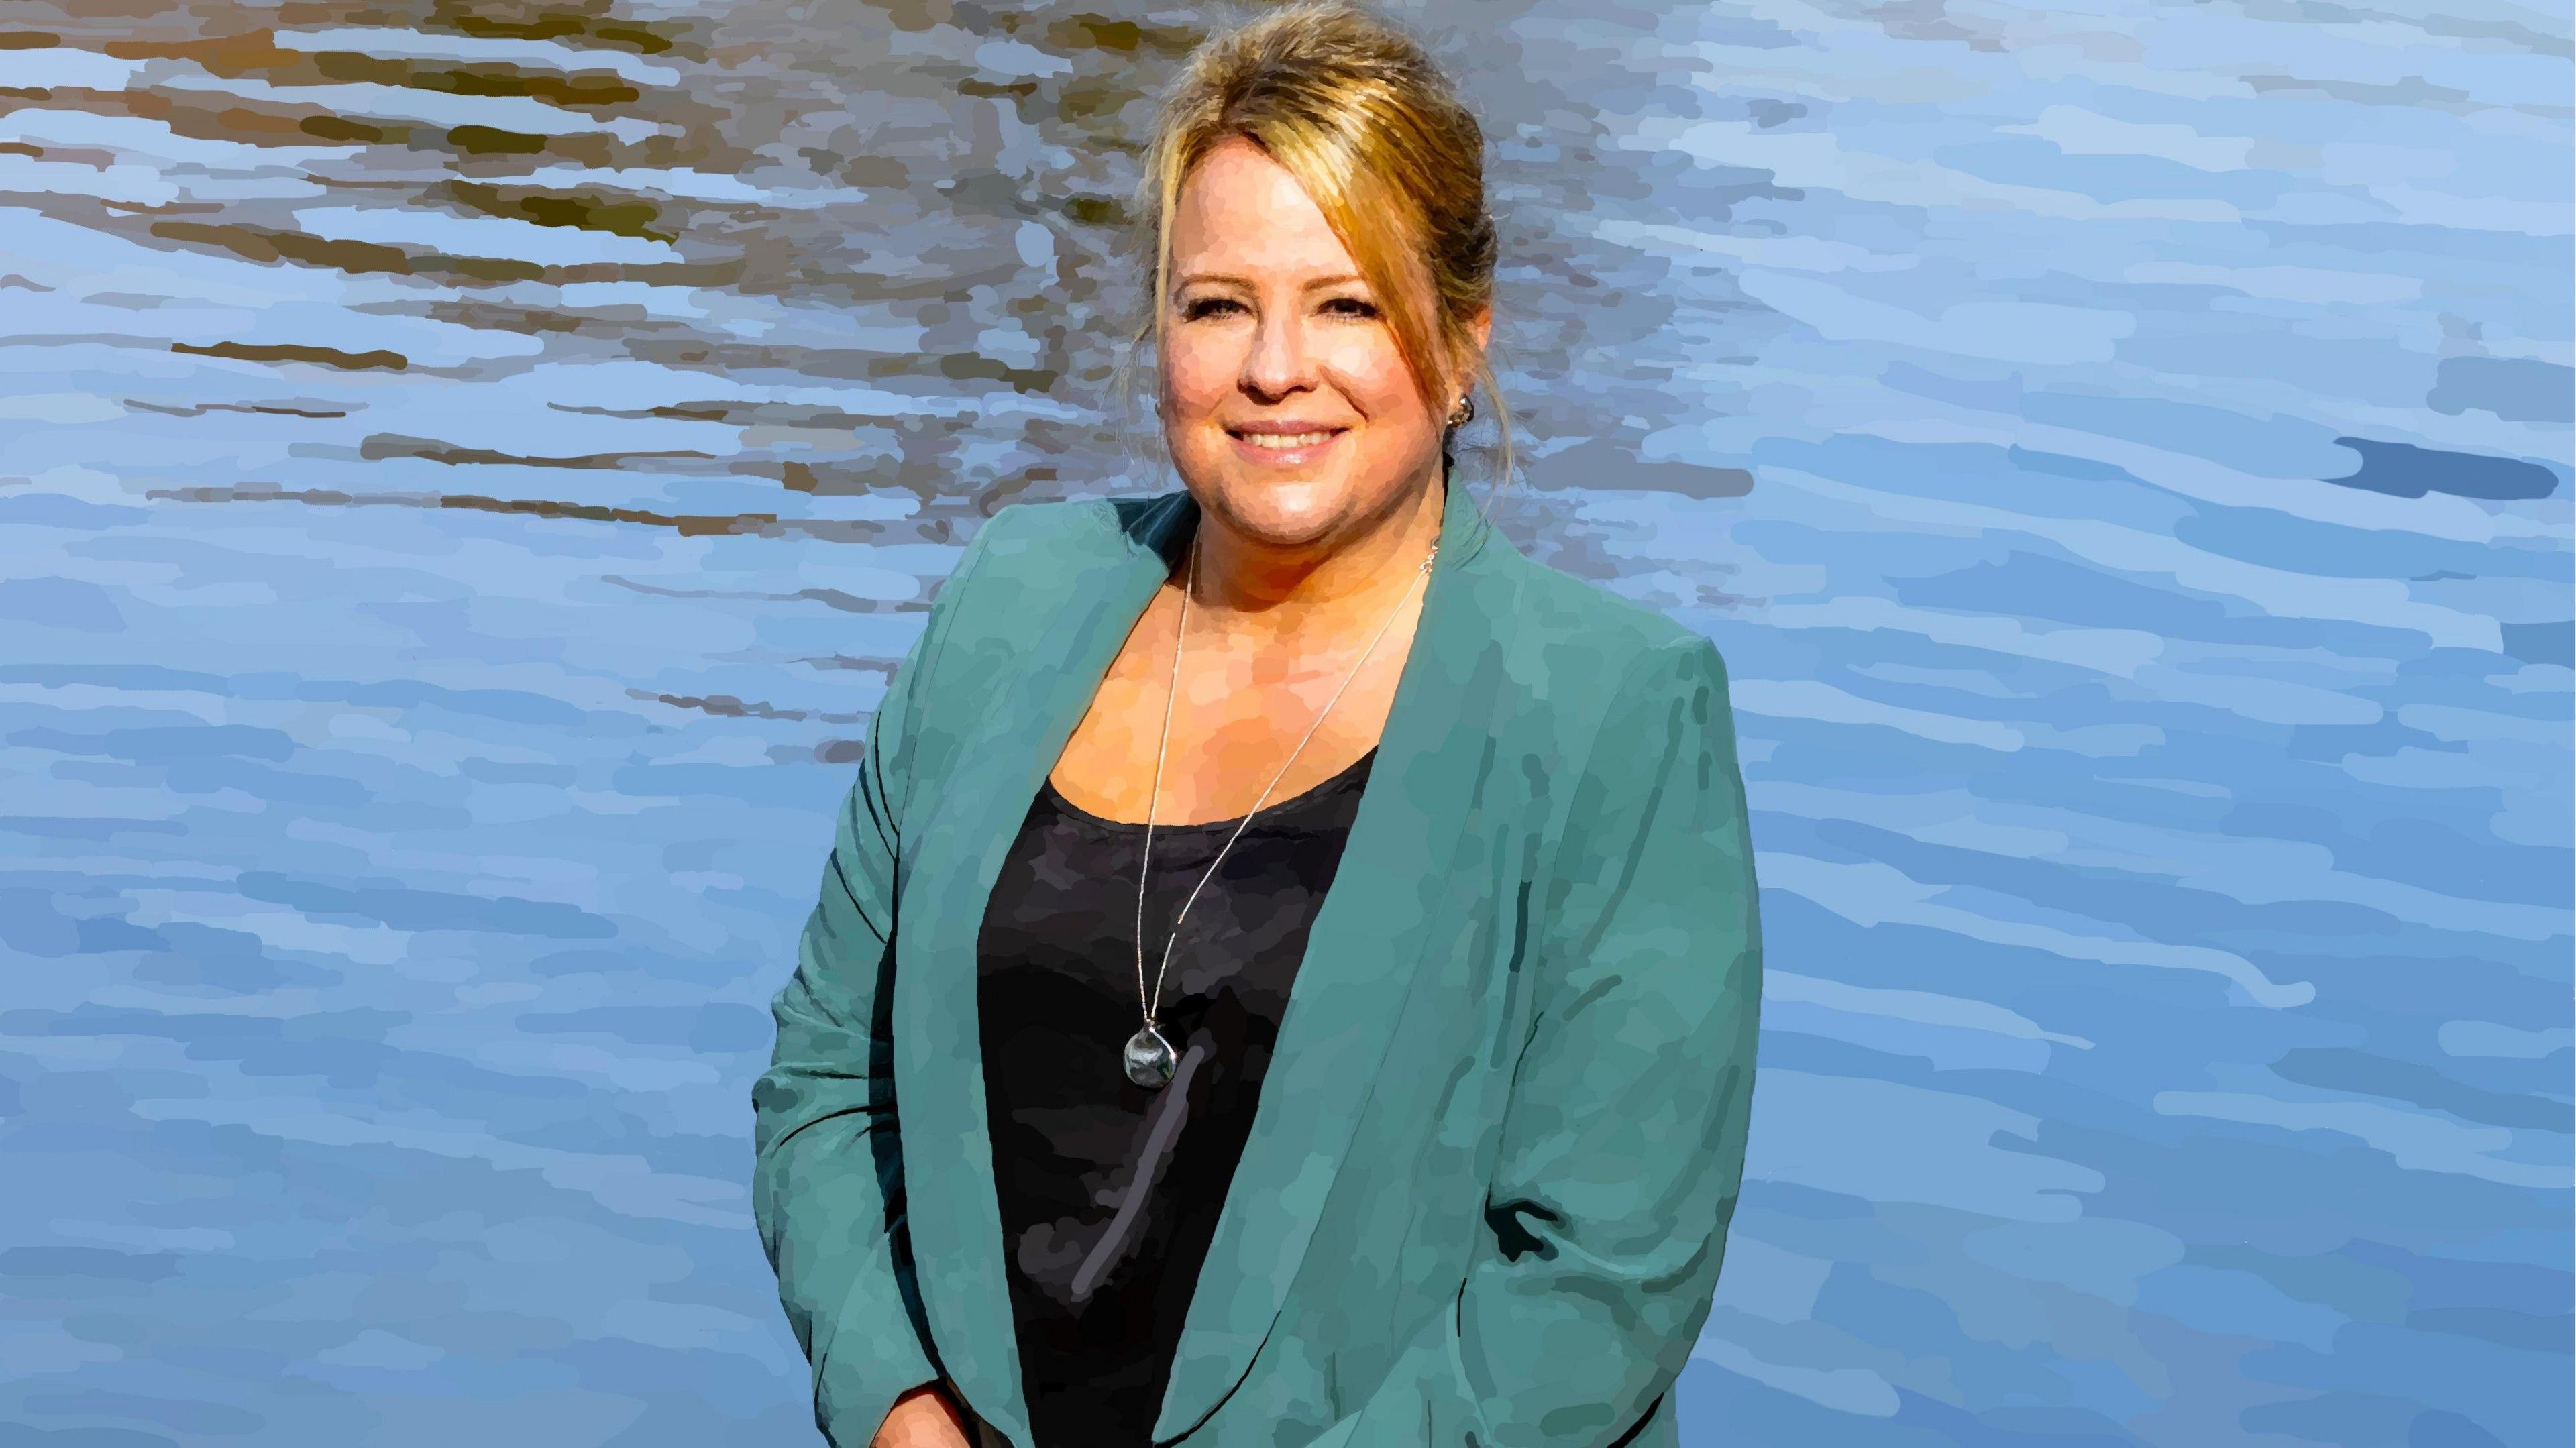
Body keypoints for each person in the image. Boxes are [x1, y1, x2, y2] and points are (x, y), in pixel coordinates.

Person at [751, 3, 1764, 1445]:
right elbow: (824, 1087)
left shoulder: (1614, 714)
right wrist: (899, 1409)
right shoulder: (1007, 604)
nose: (1274, 367)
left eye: (1347, 304)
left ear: (1462, 341)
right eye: (1217, 302)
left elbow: (1603, 1286)